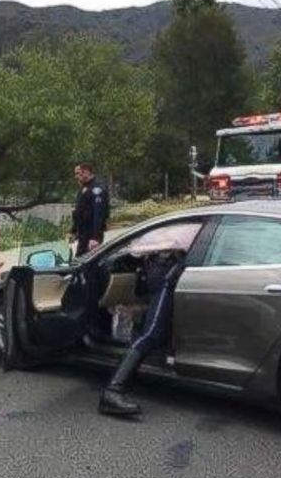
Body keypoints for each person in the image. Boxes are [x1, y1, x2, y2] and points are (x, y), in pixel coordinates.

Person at [98, 224, 197, 416]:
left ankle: (113, 391)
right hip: (169, 273)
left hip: (173, 272)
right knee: (152, 333)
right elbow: (136, 250)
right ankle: (112, 391)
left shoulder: (185, 227)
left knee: (155, 331)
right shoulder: (182, 228)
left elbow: (137, 251)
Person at [70, 163, 109, 257]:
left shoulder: (97, 189)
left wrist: (95, 238)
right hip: (83, 235)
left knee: (87, 262)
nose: (76, 177)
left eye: (78, 173)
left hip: (91, 236)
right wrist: (73, 231)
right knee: (81, 261)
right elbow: (79, 213)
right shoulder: (84, 189)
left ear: (86, 172)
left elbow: (98, 215)